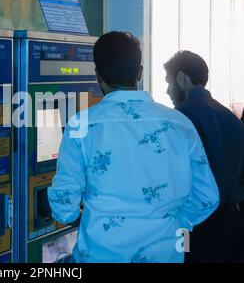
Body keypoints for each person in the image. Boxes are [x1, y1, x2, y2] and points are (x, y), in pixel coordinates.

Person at [48, 32, 219, 263]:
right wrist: (176, 222)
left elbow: (63, 204)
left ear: (98, 76)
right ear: (139, 72)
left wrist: (84, 220)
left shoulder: (82, 126)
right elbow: (207, 198)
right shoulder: (179, 124)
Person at [164, 50, 244, 263]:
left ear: (181, 78)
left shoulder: (178, 118)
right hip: (234, 224)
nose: (168, 91)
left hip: (195, 226)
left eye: (169, 82)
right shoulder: (230, 117)